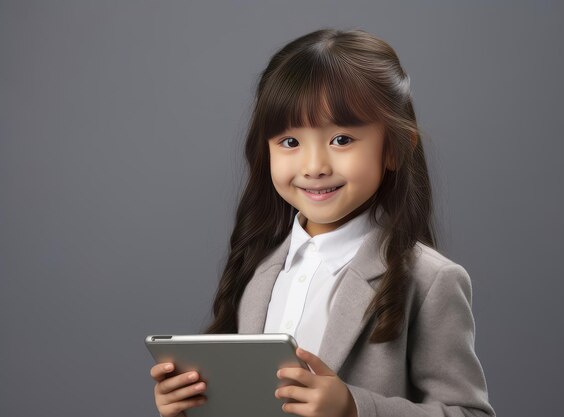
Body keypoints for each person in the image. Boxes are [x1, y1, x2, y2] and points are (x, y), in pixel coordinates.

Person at [150, 27, 496, 417]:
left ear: (396, 148)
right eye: (290, 142)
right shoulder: (258, 268)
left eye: (342, 140)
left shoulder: (432, 281)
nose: (314, 167)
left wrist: (354, 408)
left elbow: (469, 413)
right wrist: (191, 405)